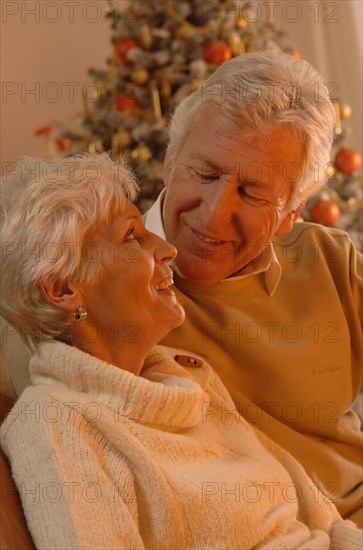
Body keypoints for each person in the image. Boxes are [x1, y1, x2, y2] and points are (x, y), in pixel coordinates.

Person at [1, 153, 362, 549]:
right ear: (63, 289)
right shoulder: (57, 425)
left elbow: (316, 512)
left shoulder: (184, 375)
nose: (166, 248)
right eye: (131, 236)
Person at [144, 50, 363, 524]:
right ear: (169, 160)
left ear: (293, 211)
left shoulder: (331, 262)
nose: (214, 214)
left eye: (253, 193)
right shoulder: (99, 277)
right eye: (205, 173)